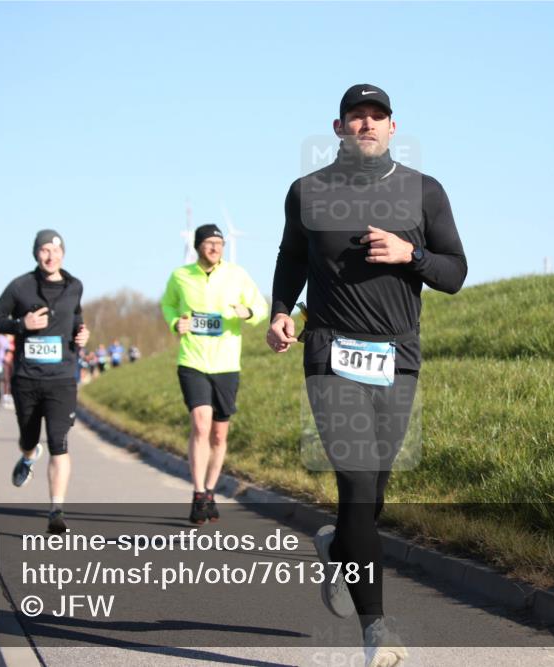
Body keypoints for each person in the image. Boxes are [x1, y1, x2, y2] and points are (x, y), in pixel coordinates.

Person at [267, 84, 467, 667]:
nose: (367, 125)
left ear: (392, 127)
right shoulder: (307, 191)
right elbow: (291, 257)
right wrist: (281, 311)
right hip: (330, 353)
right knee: (356, 485)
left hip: (397, 358)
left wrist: (411, 255)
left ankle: (338, 548)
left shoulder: (424, 192)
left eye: (377, 116)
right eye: (357, 117)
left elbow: (455, 273)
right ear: (339, 128)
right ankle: (377, 628)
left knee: (372, 494)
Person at [161, 224, 268, 524]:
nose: (215, 248)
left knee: (219, 435)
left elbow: (260, 307)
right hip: (192, 360)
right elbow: (167, 305)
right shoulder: (180, 276)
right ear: (197, 246)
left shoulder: (237, 274)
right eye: (209, 243)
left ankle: (210, 490)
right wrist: (175, 323)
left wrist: (247, 312)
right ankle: (198, 493)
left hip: (227, 363)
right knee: (200, 423)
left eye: (219, 243)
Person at [0, 229, 90, 534]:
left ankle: (56, 511)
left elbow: (76, 318)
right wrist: (22, 324)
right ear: (36, 254)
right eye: (45, 250)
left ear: (63, 254)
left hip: (62, 379)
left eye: (56, 251)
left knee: (59, 442)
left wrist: (82, 334)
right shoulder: (20, 287)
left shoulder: (75, 286)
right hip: (27, 379)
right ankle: (28, 457)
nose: (50, 256)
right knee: (29, 439)